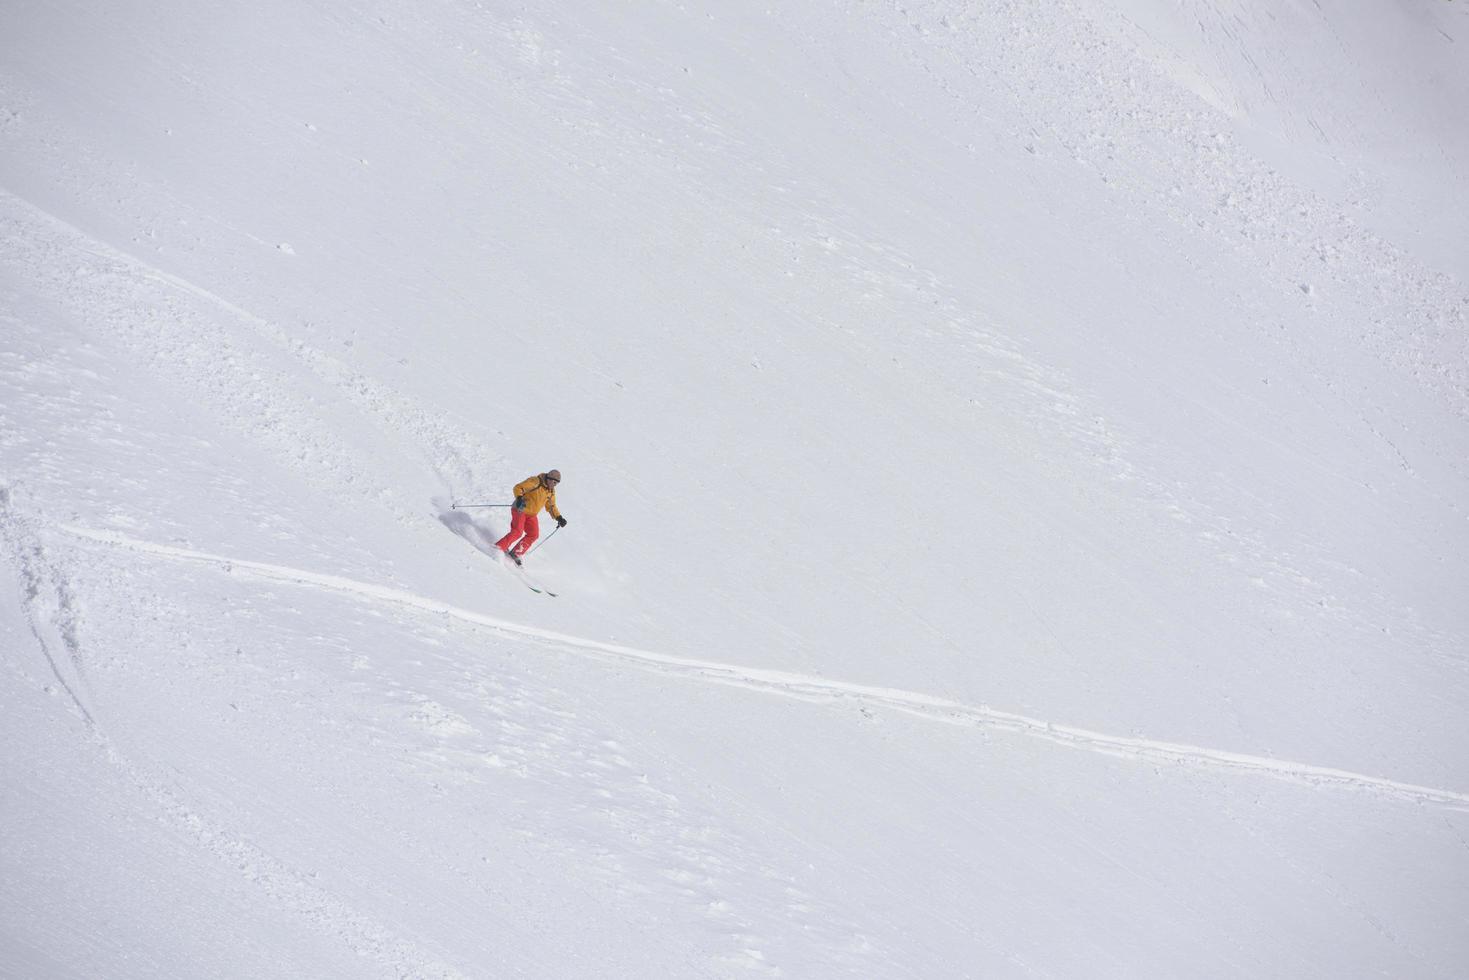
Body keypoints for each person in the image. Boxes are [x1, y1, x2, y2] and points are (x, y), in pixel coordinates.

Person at [495, 469, 566, 563]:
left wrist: (559, 517)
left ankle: (516, 552)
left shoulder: (550, 492)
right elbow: (518, 487)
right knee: (517, 531)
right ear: (549, 478)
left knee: (534, 534)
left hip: (531, 515)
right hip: (520, 509)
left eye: (556, 483)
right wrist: (519, 498)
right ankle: (499, 547)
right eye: (554, 482)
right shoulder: (536, 482)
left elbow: (551, 506)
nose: (554, 485)